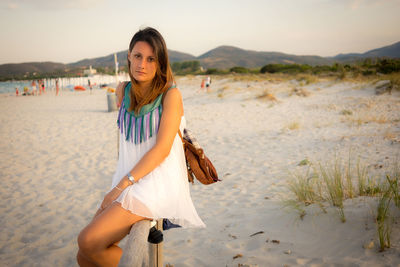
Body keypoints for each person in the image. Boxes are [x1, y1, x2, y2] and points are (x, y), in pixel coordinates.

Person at [77, 27, 205, 267]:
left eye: (150, 59)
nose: (142, 65)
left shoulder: (171, 95)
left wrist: (120, 186)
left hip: (155, 184)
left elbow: (162, 149)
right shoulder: (123, 90)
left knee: (87, 241)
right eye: (137, 56)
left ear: (160, 62)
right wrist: (121, 184)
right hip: (129, 179)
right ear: (128, 56)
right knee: (83, 256)